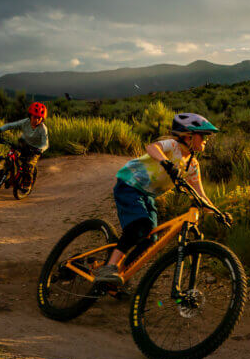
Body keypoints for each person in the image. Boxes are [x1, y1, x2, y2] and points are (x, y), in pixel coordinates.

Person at [93, 112, 230, 286]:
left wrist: (217, 213)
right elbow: (152, 147)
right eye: (203, 135)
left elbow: (201, 195)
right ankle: (109, 267)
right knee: (139, 226)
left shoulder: (193, 166)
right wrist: (166, 162)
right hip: (129, 184)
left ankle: (119, 275)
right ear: (188, 135)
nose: (206, 139)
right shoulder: (172, 145)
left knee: (151, 240)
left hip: (147, 196)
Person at [0, 102, 49, 189]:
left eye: (39, 118)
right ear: (30, 116)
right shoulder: (25, 122)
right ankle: (2, 174)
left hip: (35, 150)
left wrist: (41, 149)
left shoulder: (43, 129)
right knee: (11, 157)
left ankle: (27, 183)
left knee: (28, 166)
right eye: (34, 117)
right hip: (24, 144)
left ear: (42, 119)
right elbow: (11, 125)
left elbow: (45, 143)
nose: (36, 120)